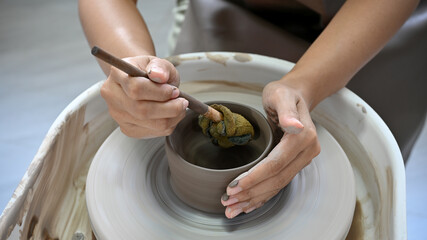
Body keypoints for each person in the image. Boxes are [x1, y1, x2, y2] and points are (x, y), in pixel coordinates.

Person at [79, 0, 425, 219]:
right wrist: (134, 70)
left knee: (365, 171)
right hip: (229, 12)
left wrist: (303, 85)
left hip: (372, 28)